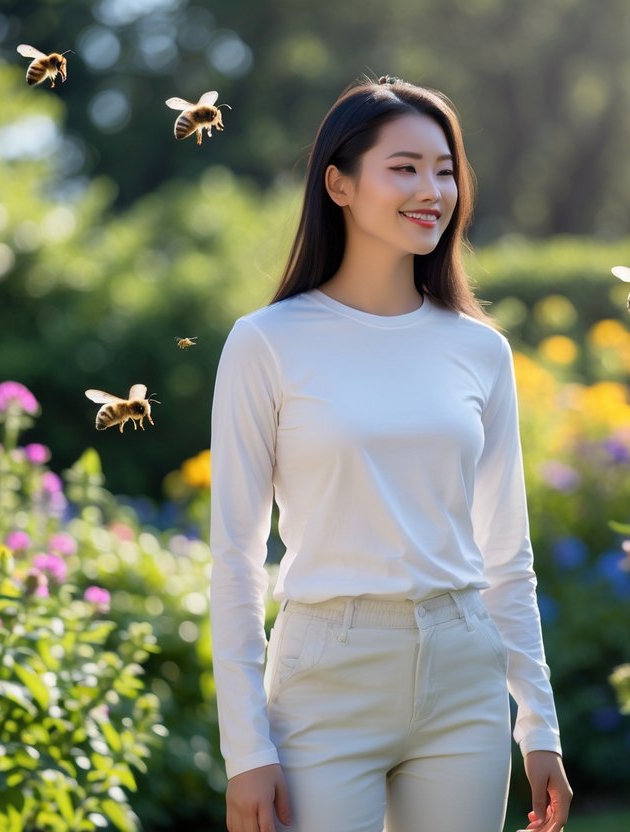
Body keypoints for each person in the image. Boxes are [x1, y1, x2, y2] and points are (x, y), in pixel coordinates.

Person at [209, 75, 571, 832]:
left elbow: (506, 552)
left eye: (444, 169)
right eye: (403, 167)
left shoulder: (479, 350)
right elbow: (235, 559)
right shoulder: (267, 342)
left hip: (462, 675)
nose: (431, 188)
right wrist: (245, 750)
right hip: (324, 676)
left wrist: (538, 723)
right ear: (338, 184)